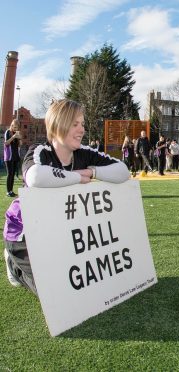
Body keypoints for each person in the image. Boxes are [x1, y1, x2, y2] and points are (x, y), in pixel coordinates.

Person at [3, 99, 129, 294]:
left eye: (83, 124)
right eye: (75, 124)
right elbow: (35, 176)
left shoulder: (84, 153)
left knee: (79, 282)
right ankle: (13, 264)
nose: (82, 130)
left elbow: (123, 171)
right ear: (57, 125)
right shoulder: (40, 151)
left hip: (59, 229)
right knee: (53, 292)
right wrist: (77, 176)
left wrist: (94, 172)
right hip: (24, 233)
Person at [4, 119, 22, 197]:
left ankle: (11, 191)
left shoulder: (16, 133)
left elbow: (20, 145)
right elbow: (6, 143)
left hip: (15, 156)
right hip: (9, 157)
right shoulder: (8, 132)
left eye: (17, 127)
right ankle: (8, 191)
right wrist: (13, 137)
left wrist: (19, 138)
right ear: (11, 125)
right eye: (14, 127)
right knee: (10, 174)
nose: (15, 129)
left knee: (13, 174)